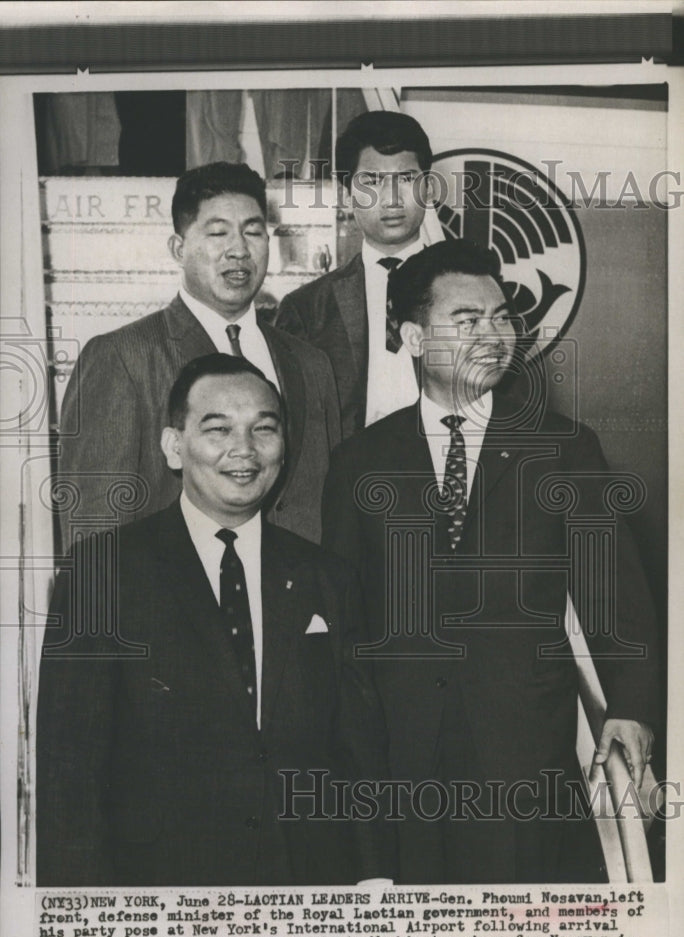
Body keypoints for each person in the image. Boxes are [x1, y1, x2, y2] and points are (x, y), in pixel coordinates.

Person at [322, 239, 659, 883]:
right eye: (468, 320)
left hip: (526, 753)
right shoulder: (360, 461)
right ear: (415, 338)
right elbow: (346, 623)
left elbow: (617, 596)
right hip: (402, 764)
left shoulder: (564, 449)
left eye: (502, 316)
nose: (494, 334)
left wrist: (633, 707)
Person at [37, 353, 392, 887]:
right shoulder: (102, 572)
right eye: (218, 429)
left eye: (263, 430)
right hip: (161, 893)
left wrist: (375, 878)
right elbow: (70, 768)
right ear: (174, 446)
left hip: (311, 887)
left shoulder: (328, 578)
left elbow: (359, 749)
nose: (243, 451)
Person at [57, 161, 340, 547]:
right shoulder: (123, 357)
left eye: (253, 232)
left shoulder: (310, 364)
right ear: (179, 248)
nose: (239, 250)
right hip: (171, 602)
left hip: (291, 601)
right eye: (218, 233)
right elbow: (94, 528)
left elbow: (325, 510)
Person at [276, 110, 444, 437]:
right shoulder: (307, 310)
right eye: (372, 181)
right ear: (346, 194)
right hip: (347, 480)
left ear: (429, 189)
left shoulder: (473, 292)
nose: (392, 199)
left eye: (407, 179)